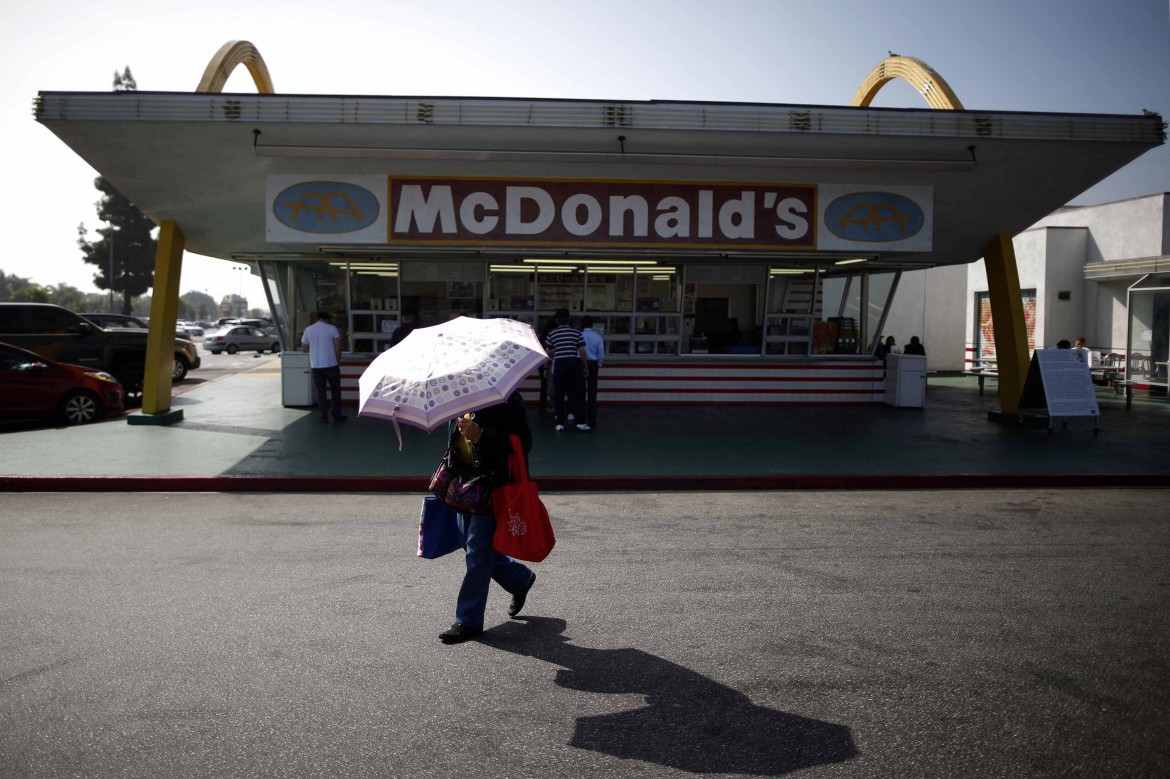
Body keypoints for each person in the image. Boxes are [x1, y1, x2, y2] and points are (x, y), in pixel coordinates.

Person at [439, 391, 537, 644]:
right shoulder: (456, 397)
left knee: (477, 551)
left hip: (493, 486)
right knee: (470, 545)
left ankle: (467, 620)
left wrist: (481, 435)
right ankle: (520, 579)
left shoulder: (506, 398)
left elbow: (523, 441)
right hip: (466, 484)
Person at [544, 308, 590, 432]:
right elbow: (582, 351)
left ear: (557, 320)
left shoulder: (552, 333)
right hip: (574, 364)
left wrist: (545, 368)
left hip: (559, 364)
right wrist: (585, 367)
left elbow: (547, 353)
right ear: (568, 319)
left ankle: (559, 423)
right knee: (577, 393)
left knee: (559, 394)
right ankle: (580, 422)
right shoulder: (576, 332)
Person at [301, 311, 345, 424]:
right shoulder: (332, 328)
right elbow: (338, 346)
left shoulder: (308, 329)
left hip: (316, 366)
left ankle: (323, 417)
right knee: (335, 391)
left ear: (317, 318)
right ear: (327, 319)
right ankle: (337, 415)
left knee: (321, 392)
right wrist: (338, 359)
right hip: (331, 365)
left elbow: (304, 349)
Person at [580, 316, 604, 429]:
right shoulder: (598, 337)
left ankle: (580, 418)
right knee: (592, 393)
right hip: (593, 364)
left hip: (580, 364)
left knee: (579, 392)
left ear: (582, 324)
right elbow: (601, 354)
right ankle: (591, 420)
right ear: (592, 325)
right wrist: (598, 364)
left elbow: (577, 351)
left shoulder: (579, 336)